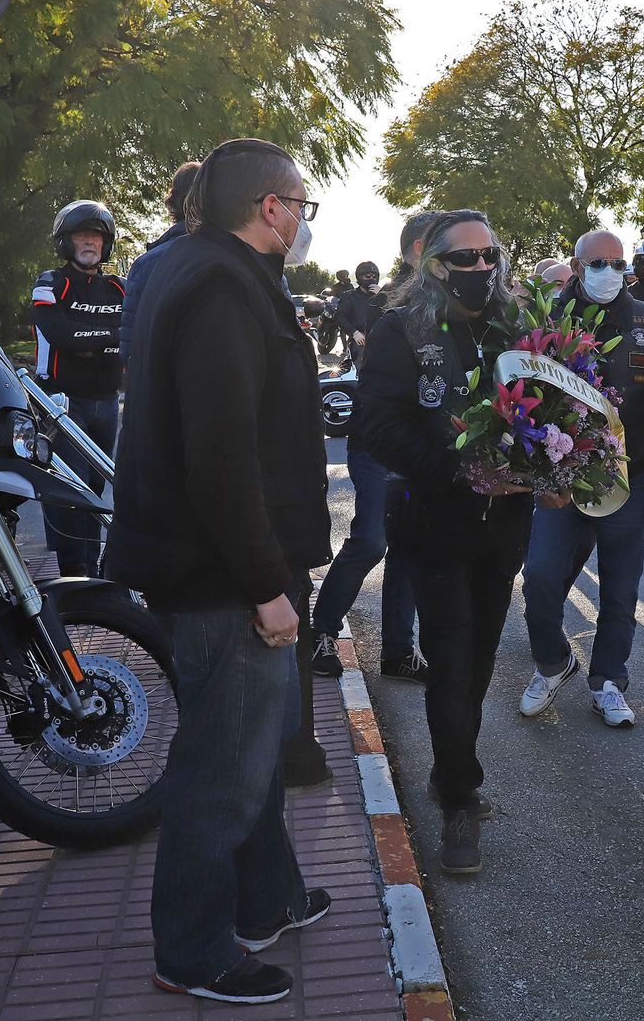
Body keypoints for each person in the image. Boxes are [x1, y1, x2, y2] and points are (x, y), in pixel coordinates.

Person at [109, 138, 333, 1005]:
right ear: (270, 207)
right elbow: (223, 458)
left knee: (255, 748)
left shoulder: (189, 265)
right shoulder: (220, 288)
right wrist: (266, 585)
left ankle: (265, 895)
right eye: (302, 204)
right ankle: (194, 948)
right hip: (221, 573)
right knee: (221, 765)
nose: (305, 220)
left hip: (217, 560)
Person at [355, 209, 554, 874]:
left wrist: (559, 465)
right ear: (431, 263)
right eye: (462, 258)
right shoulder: (399, 329)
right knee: (450, 656)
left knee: (480, 655)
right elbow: (378, 426)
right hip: (434, 522)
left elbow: (553, 410)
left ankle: (452, 771)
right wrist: (463, 469)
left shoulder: (518, 325)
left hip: (504, 529)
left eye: (487, 255)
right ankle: (460, 799)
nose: (478, 268)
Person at [517, 230, 644, 727]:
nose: (611, 272)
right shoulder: (548, 319)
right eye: (599, 262)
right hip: (562, 480)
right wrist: (535, 474)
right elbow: (521, 396)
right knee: (541, 580)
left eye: (619, 264)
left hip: (631, 480)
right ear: (576, 266)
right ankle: (554, 663)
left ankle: (609, 682)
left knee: (620, 591)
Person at [310, 224, 429, 685]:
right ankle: (322, 631)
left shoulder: (452, 305)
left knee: (409, 548)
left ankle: (399, 652)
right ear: (421, 251)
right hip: (377, 442)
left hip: (420, 448)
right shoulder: (392, 302)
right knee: (372, 540)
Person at [30, 199, 125, 577]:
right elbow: (62, 334)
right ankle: (75, 574)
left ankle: (95, 573)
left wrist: (95, 343)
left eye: (97, 237)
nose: (90, 243)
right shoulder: (50, 282)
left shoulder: (121, 287)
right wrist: (110, 339)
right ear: (65, 241)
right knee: (70, 492)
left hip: (108, 402)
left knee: (97, 488)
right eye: (82, 235)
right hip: (61, 404)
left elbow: (133, 338)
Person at [121, 161, 199, 365]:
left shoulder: (144, 266)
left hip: (161, 388)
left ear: (173, 201)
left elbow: (130, 351)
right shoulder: (247, 258)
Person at [335, 260, 384, 364]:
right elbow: (339, 317)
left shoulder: (383, 296)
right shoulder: (349, 296)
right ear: (359, 277)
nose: (371, 279)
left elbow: (394, 311)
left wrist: (382, 296)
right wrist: (354, 332)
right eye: (367, 276)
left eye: (374, 277)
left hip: (382, 341)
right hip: (361, 342)